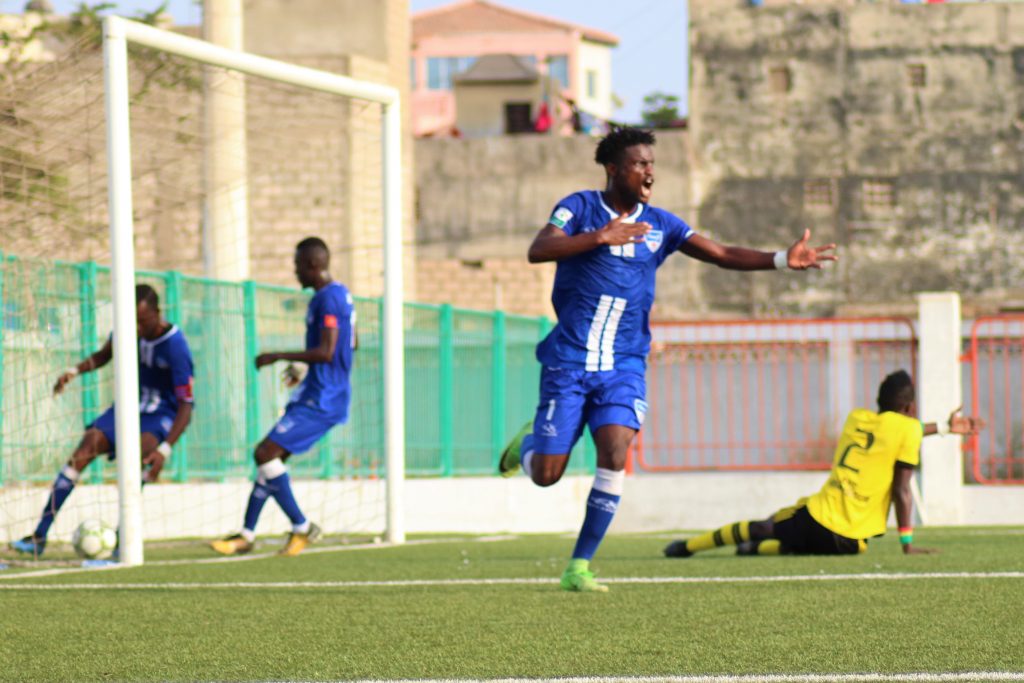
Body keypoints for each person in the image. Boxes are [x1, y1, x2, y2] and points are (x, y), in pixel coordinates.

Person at [498, 126, 838, 592]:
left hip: (624, 366)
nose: (649, 171)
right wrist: (601, 237)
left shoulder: (662, 224)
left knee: (615, 453)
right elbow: (540, 249)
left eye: (651, 164)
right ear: (614, 169)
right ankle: (532, 445)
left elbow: (719, 253)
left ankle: (579, 566)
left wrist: (781, 259)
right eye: (639, 164)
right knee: (547, 476)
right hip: (570, 363)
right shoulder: (577, 207)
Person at [663, 370, 985, 559]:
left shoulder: (856, 418)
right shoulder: (909, 429)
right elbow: (902, 491)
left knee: (767, 525)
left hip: (818, 516)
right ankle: (755, 550)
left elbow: (894, 431)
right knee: (797, 546)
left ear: (879, 402)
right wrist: (907, 543)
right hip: (851, 540)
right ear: (910, 406)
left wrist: (941, 427)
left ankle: (688, 547)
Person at [9, 284, 194, 558]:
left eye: (143, 321)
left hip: (159, 416)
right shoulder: (127, 331)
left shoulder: (176, 347)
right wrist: (74, 371)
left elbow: (186, 405)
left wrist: (164, 450)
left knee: (139, 455)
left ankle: (123, 542)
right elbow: (104, 355)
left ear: (157, 312)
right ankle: (39, 536)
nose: (137, 329)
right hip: (126, 409)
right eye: (133, 322)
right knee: (84, 450)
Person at [210, 237, 356, 558]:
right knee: (270, 463)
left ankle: (302, 527)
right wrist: (306, 368)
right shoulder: (341, 295)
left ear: (313, 265)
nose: (295, 271)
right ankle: (246, 535)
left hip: (323, 398)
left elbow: (328, 350)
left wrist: (276, 354)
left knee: (264, 452)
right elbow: (351, 343)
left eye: (298, 264)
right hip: (321, 390)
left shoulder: (327, 299)